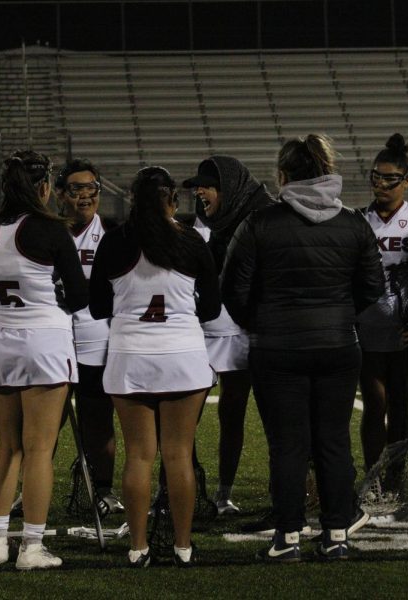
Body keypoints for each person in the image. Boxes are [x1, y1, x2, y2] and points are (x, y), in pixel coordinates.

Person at [222, 134, 384, 561]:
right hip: (337, 346)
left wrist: (263, 322)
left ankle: (287, 538)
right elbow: (373, 288)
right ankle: (336, 536)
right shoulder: (353, 223)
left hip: (277, 349)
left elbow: (232, 290)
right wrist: (339, 316)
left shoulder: (260, 222)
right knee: (333, 441)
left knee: (288, 444)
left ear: (283, 175)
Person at [0, 150, 87, 570]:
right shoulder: (52, 230)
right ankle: (32, 547)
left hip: (0, 338)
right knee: (38, 449)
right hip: (44, 340)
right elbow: (80, 294)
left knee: (8, 447)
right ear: (44, 187)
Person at [89, 166, 220, 568]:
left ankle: (138, 548)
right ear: (171, 200)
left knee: (139, 456)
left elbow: (97, 307)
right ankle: (183, 547)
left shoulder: (114, 242)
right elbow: (212, 308)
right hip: (183, 355)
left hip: (130, 357)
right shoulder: (193, 240)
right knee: (178, 455)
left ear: (132, 198)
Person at [182, 156, 276, 515]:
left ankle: (224, 493)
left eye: (206, 185)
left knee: (235, 410)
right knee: (186, 415)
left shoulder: (261, 215)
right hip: (204, 329)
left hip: (243, 328)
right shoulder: (205, 221)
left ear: (230, 187)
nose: (199, 192)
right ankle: (186, 483)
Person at [356, 134, 408, 471]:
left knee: (399, 403)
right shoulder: (358, 219)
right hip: (369, 322)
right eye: (376, 177)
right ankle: (373, 475)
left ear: (407, 181)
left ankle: (395, 478)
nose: (382, 185)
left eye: (390, 179)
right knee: (374, 403)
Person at [54, 158, 123, 515]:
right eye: (76, 188)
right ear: (60, 194)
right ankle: (30, 489)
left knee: (98, 418)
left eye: (91, 188)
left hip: (99, 340)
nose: (85, 196)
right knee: (46, 423)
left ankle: (106, 490)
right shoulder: (46, 232)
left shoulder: (113, 233)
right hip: (53, 340)